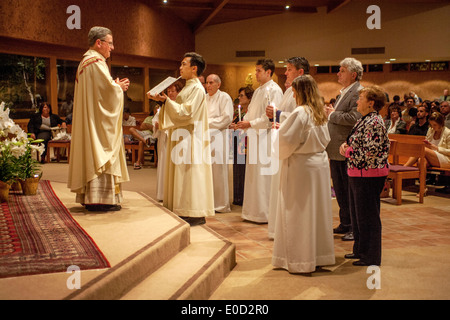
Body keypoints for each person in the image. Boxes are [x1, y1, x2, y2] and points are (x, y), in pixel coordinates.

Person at [271, 75, 335, 273]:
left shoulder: (300, 112)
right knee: (316, 212)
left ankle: (300, 260)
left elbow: (287, 141)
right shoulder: (319, 111)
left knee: (298, 212)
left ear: (299, 92)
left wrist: (276, 133)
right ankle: (317, 256)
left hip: (301, 167)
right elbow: (320, 137)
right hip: (318, 165)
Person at [67, 26, 130, 212]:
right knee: (101, 152)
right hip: (98, 123)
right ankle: (100, 200)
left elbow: (99, 92)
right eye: (110, 43)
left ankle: (92, 197)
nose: (112, 47)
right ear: (98, 43)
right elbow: (106, 94)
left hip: (92, 118)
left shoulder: (86, 62)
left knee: (92, 151)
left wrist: (113, 86)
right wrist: (118, 88)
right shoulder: (95, 62)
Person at [148, 52, 214, 226]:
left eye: (184, 64)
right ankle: (182, 208)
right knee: (183, 174)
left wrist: (166, 102)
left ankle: (192, 211)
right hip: (183, 135)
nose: (180, 67)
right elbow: (180, 110)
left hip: (190, 137)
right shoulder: (188, 87)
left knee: (189, 174)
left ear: (194, 68)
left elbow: (187, 113)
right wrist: (164, 102)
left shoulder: (197, 89)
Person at [340, 86, 390, 266]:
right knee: (357, 215)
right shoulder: (364, 119)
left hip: (369, 174)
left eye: (360, 98)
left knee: (368, 216)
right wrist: (346, 146)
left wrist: (348, 152)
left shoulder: (375, 122)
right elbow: (353, 142)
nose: (356, 101)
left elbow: (371, 151)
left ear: (371, 103)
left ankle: (371, 256)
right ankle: (360, 250)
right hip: (357, 172)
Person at [265, 56, 310, 239]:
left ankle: (285, 231)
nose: (285, 73)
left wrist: (278, 114)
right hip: (282, 144)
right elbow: (286, 116)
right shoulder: (288, 91)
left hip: (293, 149)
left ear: (300, 72)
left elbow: (300, 117)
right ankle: (278, 229)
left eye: (289, 69)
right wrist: (273, 116)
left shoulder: (303, 93)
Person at [235, 58, 283, 223]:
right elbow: (251, 111)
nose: (256, 74)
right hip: (255, 137)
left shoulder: (274, 90)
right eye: (256, 70)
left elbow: (270, 117)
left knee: (263, 176)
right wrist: (243, 123)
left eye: (259, 71)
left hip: (266, 138)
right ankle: (252, 211)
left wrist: (250, 123)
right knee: (253, 176)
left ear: (269, 72)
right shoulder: (258, 91)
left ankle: (265, 213)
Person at [325, 57, 363, 241]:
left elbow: (354, 117)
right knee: (340, 190)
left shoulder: (358, 92)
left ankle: (353, 227)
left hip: (346, 148)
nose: (338, 73)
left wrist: (332, 114)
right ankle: (345, 222)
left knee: (349, 191)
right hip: (336, 149)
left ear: (353, 74)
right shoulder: (344, 92)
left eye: (342, 71)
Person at [205, 74, 234, 213]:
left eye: (211, 83)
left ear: (218, 84)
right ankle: (208, 201)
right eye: (207, 83)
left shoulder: (224, 97)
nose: (208, 85)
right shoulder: (204, 98)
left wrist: (207, 123)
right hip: (205, 138)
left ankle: (221, 204)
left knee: (219, 170)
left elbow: (227, 118)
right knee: (206, 170)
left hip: (219, 137)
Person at [152, 82, 183, 201]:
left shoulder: (179, 106)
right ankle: (162, 194)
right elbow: (156, 120)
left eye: (173, 91)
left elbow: (179, 122)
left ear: (178, 92)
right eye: (168, 91)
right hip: (163, 140)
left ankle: (172, 194)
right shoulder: (163, 106)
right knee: (163, 165)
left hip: (174, 140)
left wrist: (165, 125)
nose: (170, 93)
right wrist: (156, 125)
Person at [229, 86, 253, 206]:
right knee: (237, 169)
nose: (239, 98)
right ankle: (237, 196)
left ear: (249, 98)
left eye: (242, 96)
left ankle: (243, 197)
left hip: (245, 143)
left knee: (243, 170)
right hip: (237, 141)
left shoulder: (250, 112)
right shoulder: (237, 112)